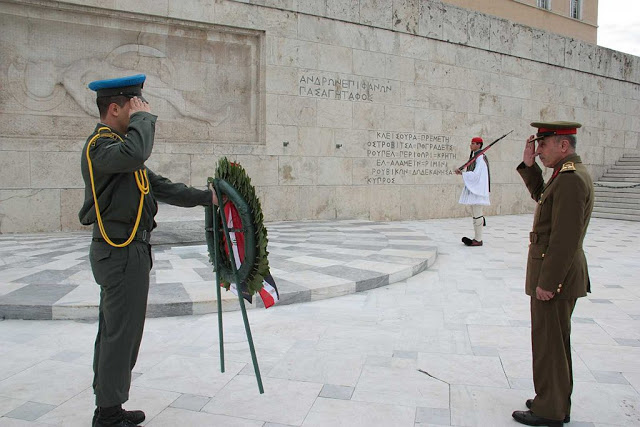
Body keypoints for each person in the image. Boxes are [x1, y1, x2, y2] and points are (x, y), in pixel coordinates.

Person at [78, 74, 217, 427]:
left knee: (120, 333)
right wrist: (144, 120)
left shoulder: (121, 154)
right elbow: (137, 151)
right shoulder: (102, 148)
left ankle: (108, 406)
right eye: (134, 106)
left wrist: (208, 198)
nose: (141, 110)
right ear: (114, 109)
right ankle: (108, 415)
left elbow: (162, 187)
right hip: (119, 251)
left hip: (129, 252)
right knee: (119, 334)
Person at [512, 121, 594, 427]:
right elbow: (542, 196)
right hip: (557, 274)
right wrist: (530, 165)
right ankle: (554, 400)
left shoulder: (571, 179)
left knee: (550, 343)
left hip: (556, 277)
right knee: (552, 342)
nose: (539, 150)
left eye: (543, 145)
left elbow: (565, 238)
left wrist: (548, 283)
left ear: (563, 145)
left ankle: (550, 410)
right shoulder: (564, 175)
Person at [455, 136, 490, 246]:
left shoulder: (480, 158)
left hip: (478, 190)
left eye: (473, 143)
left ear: (479, 145)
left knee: (477, 213)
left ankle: (478, 240)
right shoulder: (476, 157)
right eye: (471, 143)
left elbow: (477, 175)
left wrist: (463, 173)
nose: (471, 145)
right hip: (475, 189)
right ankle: (478, 233)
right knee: (476, 213)